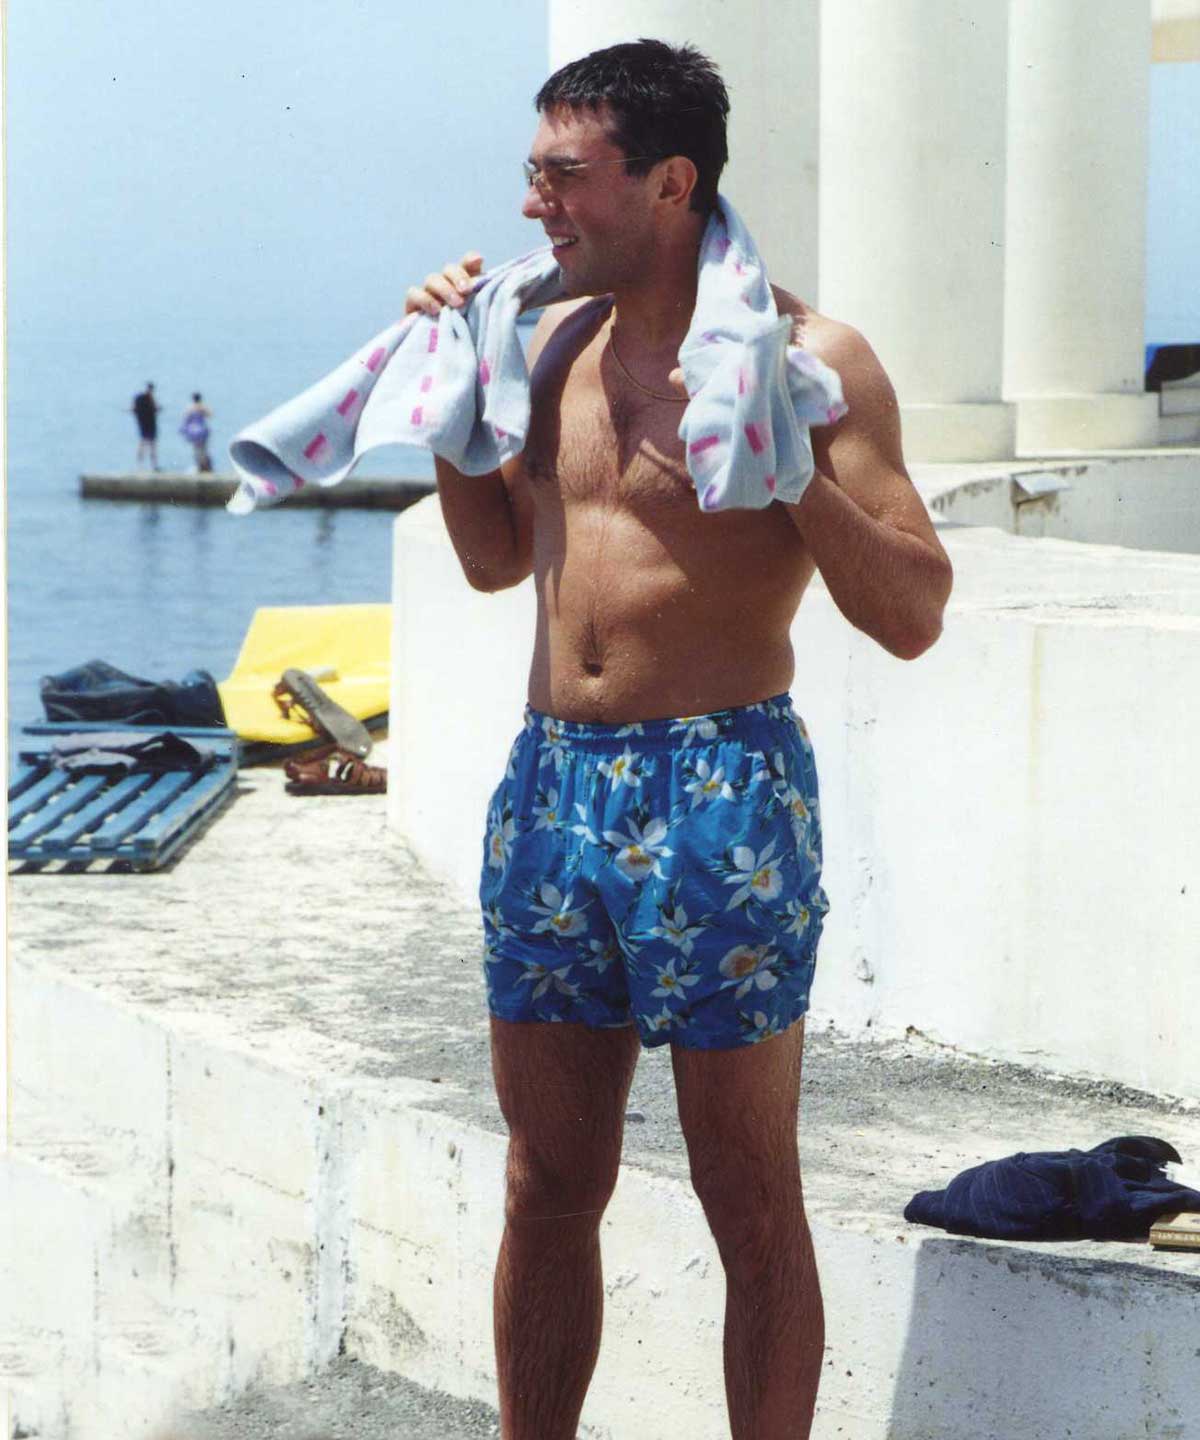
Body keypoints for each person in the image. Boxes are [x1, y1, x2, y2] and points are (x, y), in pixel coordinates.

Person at [405, 39, 953, 1440]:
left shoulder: (811, 359)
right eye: (532, 173)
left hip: (720, 789)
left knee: (745, 1192)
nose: (534, 205)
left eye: (564, 176)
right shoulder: (551, 343)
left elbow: (913, 612)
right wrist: (452, 407)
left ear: (669, 182)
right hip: (552, 786)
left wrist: (792, 476)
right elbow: (493, 562)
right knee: (545, 1181)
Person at [180, 392, 213, 473]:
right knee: (204, 449)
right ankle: (205, 467)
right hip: (202, 430)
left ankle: (200, 466)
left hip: (193, 431)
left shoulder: (190, 408)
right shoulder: (202, 407)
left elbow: (185, 419)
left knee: (196, 449)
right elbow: (210, 415)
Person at [132, 382, 161, 471]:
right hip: (150, 424)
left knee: (143, 443)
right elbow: (155, 409)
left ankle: (139, 465)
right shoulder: (150, 398)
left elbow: (134, 409)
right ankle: (154, 466)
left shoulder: (139, 398)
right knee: (152, 445)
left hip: (142, 423)